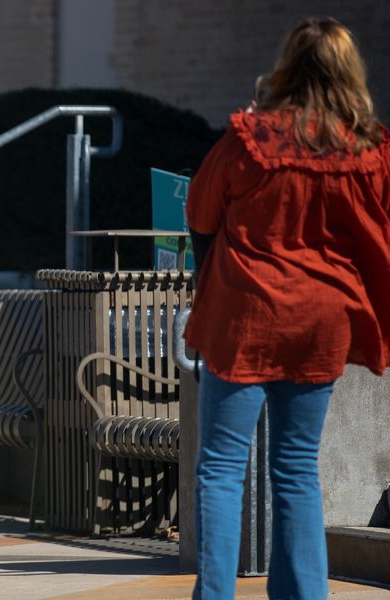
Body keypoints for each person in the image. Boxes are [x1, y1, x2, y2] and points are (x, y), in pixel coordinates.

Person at [184, 17, 390, 600]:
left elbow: (200, 214)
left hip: (244, 318)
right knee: (297, 470)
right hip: (321, 322)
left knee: (222, 471)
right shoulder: (369, 149)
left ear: (286, 65)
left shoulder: (250, 140)